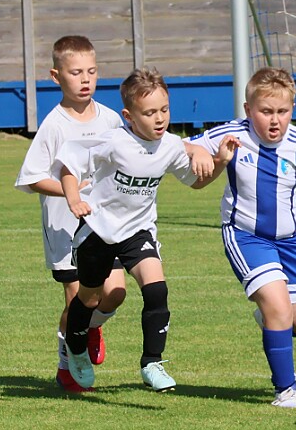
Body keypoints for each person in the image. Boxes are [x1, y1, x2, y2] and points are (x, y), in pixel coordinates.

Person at [57, 68, 234, 392]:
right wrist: (73, 199)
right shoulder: (114, 142)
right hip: (98, 230)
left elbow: (195, 182)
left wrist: (220, 161)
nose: (159, 118)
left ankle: (152, 362)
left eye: (164, 109)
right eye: (150, 113)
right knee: (90, 297)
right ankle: (76, 350)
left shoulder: (170, 146)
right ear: (129, 116)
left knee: (156, 291)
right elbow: (69, 165)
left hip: (137, 231)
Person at [185, 67, 296, 409]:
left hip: (292, 241)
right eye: (266, 111)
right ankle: (286, 392)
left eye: (282, 111)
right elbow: (186, 147)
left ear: (292, 109)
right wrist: (201, 153)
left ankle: (271, 320)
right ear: (248, 110)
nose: (275, 120)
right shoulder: (233, 134)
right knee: (279, 307)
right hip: (246, 237)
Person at [16, 35, 127, 393]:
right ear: (56, 76)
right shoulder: (54, 125)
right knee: (80, 297)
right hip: (64, 226)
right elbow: (32, 178)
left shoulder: (111, 119)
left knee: (115, 292)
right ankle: (68, 367)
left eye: (91, 72)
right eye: (76, 73)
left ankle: (89, 328)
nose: (85, 80)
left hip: (106, 224)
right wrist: (72, 191)